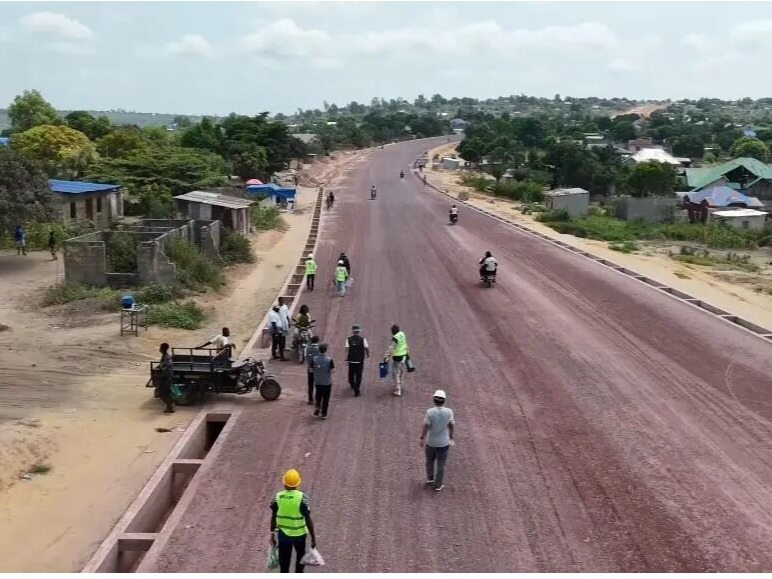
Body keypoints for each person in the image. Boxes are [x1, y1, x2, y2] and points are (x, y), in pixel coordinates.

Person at [270, 469, 317, 574]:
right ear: (297, 484)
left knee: (284, 562)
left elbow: (273, 517)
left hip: (283, 535)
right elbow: (308, 520)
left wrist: (272, 534)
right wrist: (313, 538)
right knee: (300, 559)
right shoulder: (302, 498)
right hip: (299, 536)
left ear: (284, 483)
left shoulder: (277, 497)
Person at [421, 390, 455, 492]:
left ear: (434, 400)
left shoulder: (430, 412)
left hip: (431, 442)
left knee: (429, 461)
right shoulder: (449, 412)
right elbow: (451, 425)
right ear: (444, 400)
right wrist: (451, 436)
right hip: (444, 443)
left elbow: (426, 426)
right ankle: (438, 485)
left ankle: (430, 478)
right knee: (441, 464)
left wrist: (422, 438)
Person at [384, 324, 409, 397]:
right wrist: (407, 353)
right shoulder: (402, 334)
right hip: (404, 356)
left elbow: (391, 348)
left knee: (395, 373)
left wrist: (386, 356)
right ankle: (400, 384)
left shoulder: (395, 338)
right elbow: (405, 344)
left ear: (393, 331)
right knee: (401, 371)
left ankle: (398, 389)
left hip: (397, 357)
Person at [345, 324, 369, 397]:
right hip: (360, 360)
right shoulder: (363, 339)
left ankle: (352, 384)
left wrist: (346, 358)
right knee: (358, 376)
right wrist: (368, 354)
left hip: (351, 360)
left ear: (353, 331)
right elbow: (366, 348)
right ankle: (357, 390)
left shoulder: (348, 339)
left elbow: (347, 349)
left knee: (351, 374)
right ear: (359, 331)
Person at [312, 344, 334, 419]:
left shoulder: (314, 359)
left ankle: (317, 407)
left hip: (318, 381)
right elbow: (333, 370)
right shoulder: (329, 360)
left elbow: (311, 368)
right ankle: (324, 414)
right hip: (327, 382)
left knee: (318, 395)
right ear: (325, 350)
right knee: (326, 399)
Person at [157, 342, 175, 414]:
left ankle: (169, 406)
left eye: (160, 347)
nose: (159, 349)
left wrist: (162, 375)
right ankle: (169, 406)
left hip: (165, 378)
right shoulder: (165, 356)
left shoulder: (166, 357)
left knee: (162, 393)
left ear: (163, 349)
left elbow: (167, 368)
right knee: (166, 393)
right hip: (166, 377)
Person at [305, 336, 321, 405]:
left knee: (310, 384)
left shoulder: (307, 348)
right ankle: (317, 399)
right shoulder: (319, 348)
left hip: (310, 369)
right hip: (317, 369)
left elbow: (306, 357)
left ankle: (310, 399)